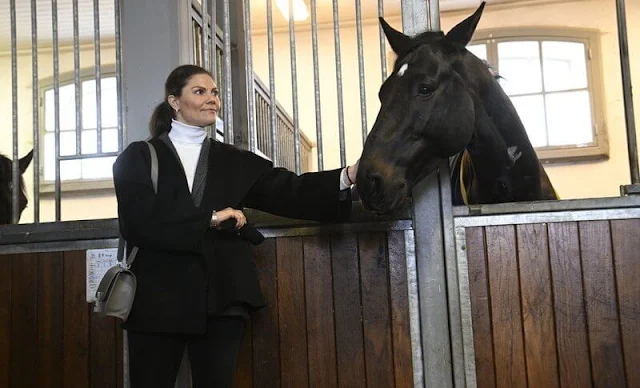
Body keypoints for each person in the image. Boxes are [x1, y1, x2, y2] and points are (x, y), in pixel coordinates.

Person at [112, 64, 358, 387]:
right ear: (174, 101)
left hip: (222, 296)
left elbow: (290, 191)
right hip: (158, 298)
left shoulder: (234, 160)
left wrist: (349, 175)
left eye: (214, 92)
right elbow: (137, 224)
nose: (212, 99)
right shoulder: (138, 157)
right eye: (199, 92)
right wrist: (210, 219)